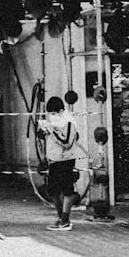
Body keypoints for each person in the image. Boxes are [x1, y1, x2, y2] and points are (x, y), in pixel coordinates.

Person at [40, 96, 82, 230]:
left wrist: (53, 131)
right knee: (52, 191)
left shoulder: (69, 122)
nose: (51, 117)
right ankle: (61, 218)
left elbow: (67, 143)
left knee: (67, 190)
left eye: (53, 113)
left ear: (60, 111)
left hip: (65, 160)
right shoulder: (56, 124)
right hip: (54, 160)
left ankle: (65, 220)